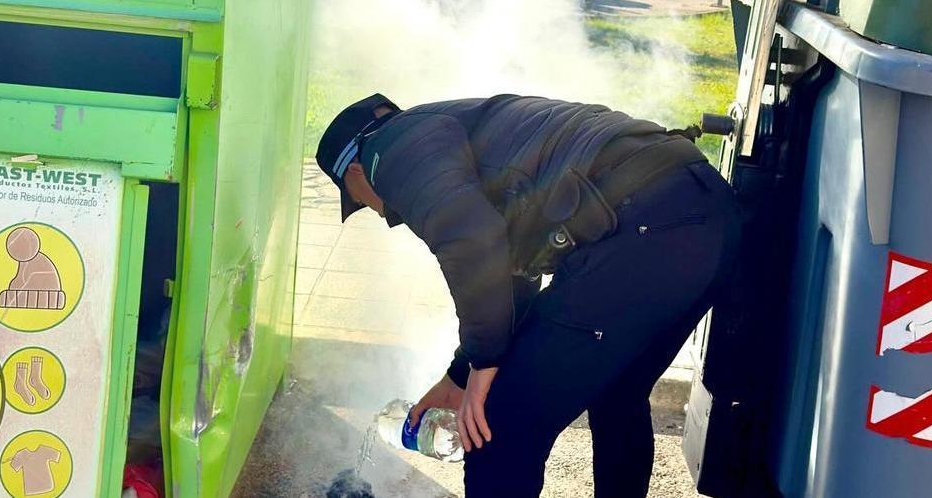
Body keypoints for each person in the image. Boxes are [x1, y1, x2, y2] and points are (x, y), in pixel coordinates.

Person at [316, 94, 740, 498]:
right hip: (707, 212)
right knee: (618, 393)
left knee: (497, 422)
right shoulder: (451, 126)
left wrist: (485, 366)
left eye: (360, 202)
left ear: (355, 172)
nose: (380, 213)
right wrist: (461, 374)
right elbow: (511, 279)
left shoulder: (390, 151)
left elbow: (473, 241)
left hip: (645, 226)